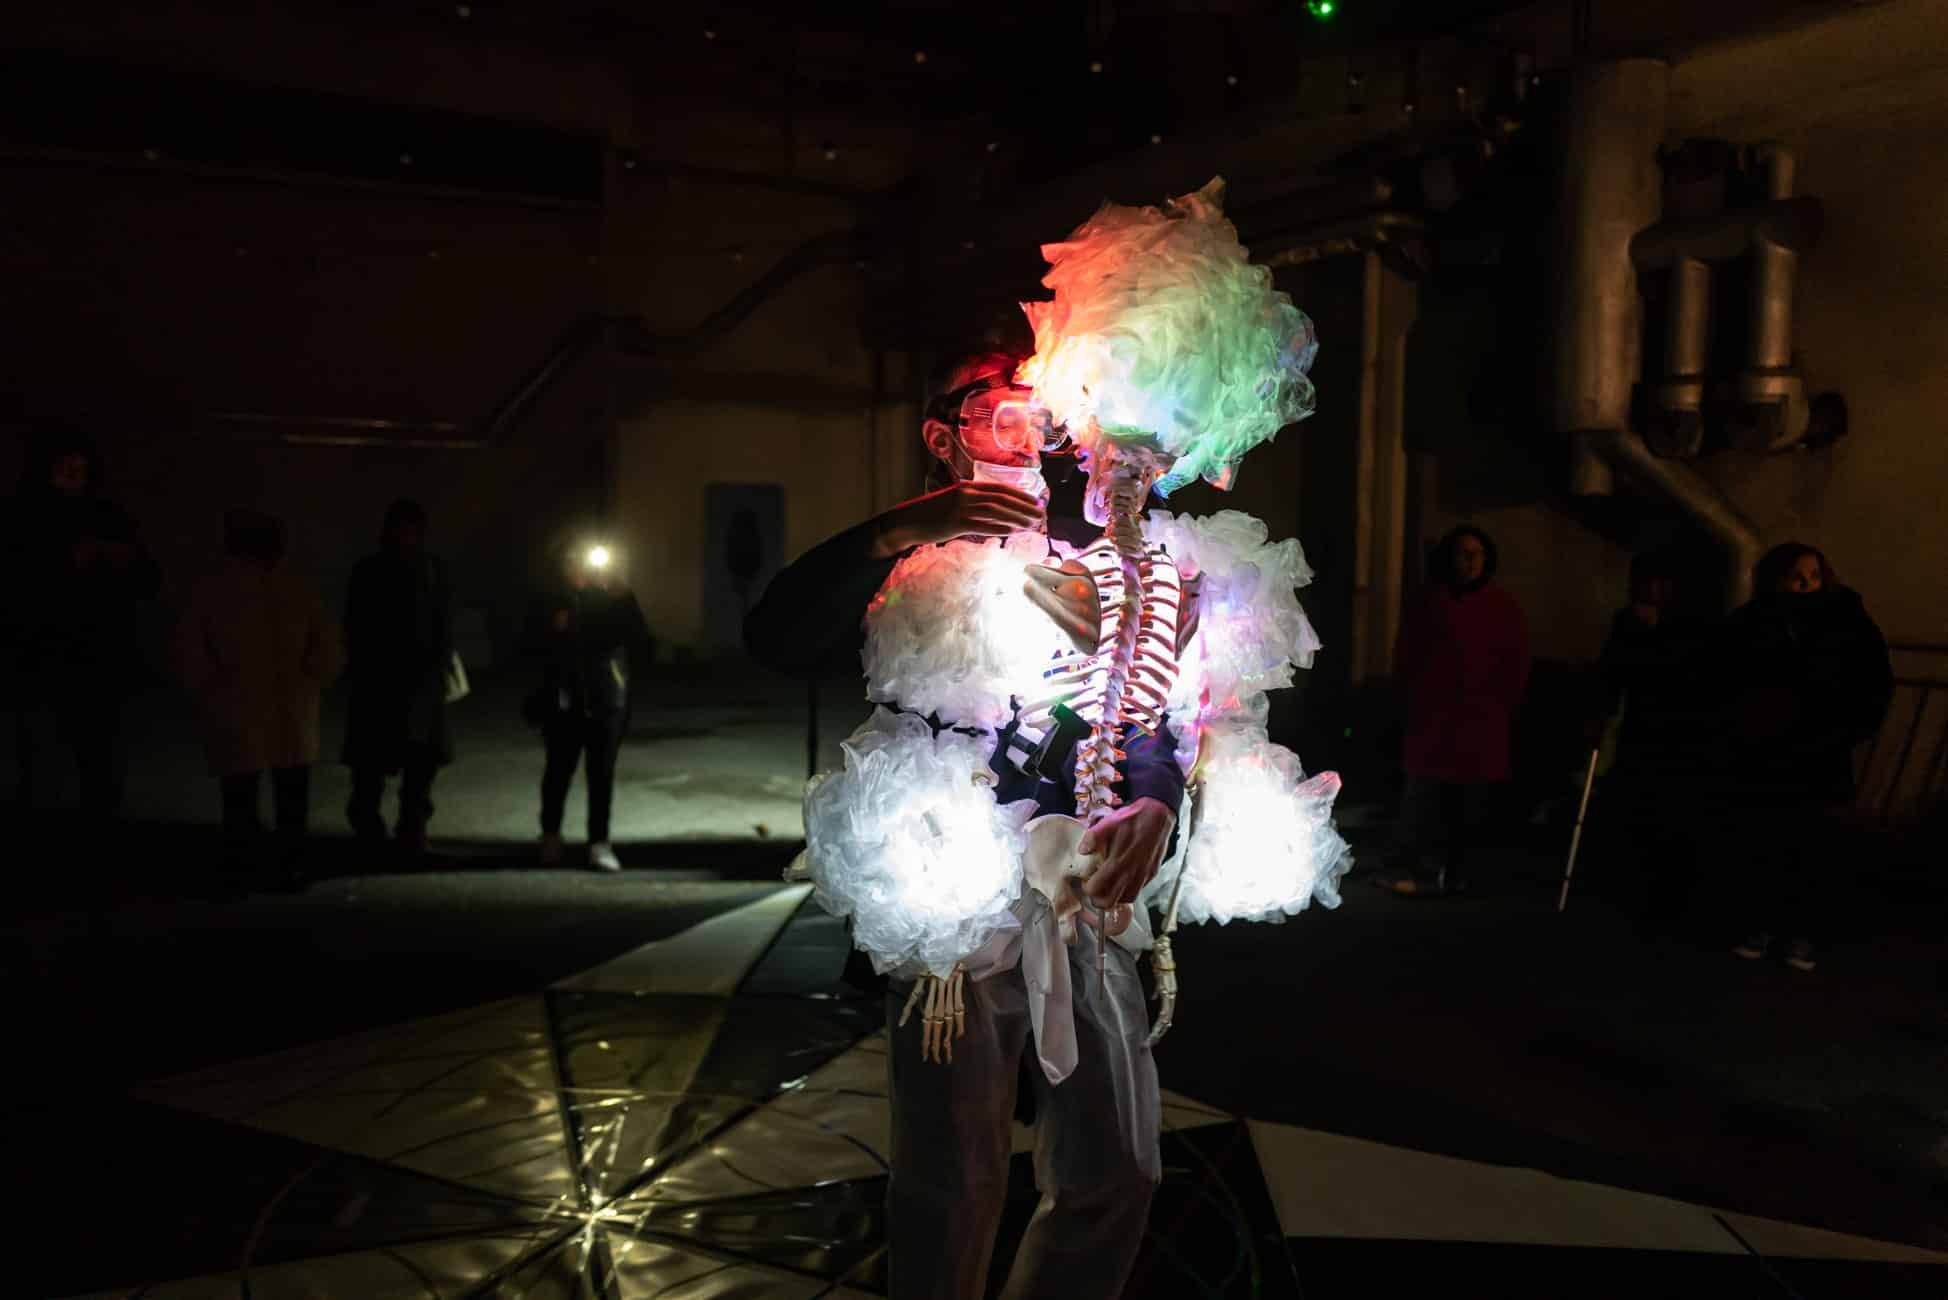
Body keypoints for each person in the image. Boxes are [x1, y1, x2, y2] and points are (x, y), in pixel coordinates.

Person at [746, 351, 1181, 1300]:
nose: (1026, 437)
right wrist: (899, 530)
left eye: (1039, 416)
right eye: (998, 415)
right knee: (951, 1175)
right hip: (945, 894)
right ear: (945, 436)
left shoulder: (1085, 550)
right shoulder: (899, 560)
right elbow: (777, 637)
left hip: (1081, 880)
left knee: (1119, 1166)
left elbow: (1147, 706)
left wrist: (1156, 796)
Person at [1715, 542, 1892, 972]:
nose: (1805, 583)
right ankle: (1759, 925)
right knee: (1765, 839)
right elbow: (1728, 676)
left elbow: (1872, 679)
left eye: (1812, 575)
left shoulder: (1846, 622)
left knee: (1812, 844)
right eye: (1796, 575)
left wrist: (1848, 728)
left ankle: (1801, 933)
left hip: (1819, 750)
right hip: (1768, 749)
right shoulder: (1756, 621)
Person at [4, 421, 161, 836]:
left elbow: (148, 578)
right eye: (65, 469)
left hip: (92, 662)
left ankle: (88, 836)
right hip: (44, 659)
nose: (75, 476)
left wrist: (118, 561)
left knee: (94, 764)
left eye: (80, 469)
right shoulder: (24, 519)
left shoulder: (104, 517)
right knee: (50, 765)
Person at [176, 510, 341, 892]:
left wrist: (209, 686)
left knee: (241, 794)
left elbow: (190, 652)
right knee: (289, 795)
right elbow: (327, 647)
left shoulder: (214, 590)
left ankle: (244, 869)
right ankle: (288, 868)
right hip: (287, 704)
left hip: (238, 704)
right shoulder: (296, 587)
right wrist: (314, 675)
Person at [1376, 525, 1531, 897]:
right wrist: (1408, 701)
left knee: (1472, 802)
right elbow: (1407, 656)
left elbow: (1516, 661)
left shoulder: (1502, 606)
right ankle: (1415, 868)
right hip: (1433, 719)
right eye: (1464, 553)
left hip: (1481, 720)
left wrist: (1503, 705)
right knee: (1423, 798)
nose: (1471, 561)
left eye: (1478, 554)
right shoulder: (1428, 602)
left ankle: (1460, 871)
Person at [1590, 549, 1714, 935]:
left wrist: (1653, 634)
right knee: (1632, 803)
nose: (1651, 589)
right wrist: (1600, 713)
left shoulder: (1691, 626)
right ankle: (1625, 885)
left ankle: (1662, 895)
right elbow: (1612, 670)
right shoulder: (1627, 621)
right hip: (1639, 728)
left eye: (1660, 582)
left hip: (1678, 733)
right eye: (1645, 581)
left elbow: (1683, 675)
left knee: (1668, 812)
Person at [525, 540, 653, 872]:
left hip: (606, 700)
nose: (581, 568)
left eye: (586, 561)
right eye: (573, 561)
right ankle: (550, 836)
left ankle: (599, 842)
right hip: (564, 701)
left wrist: (624, 596)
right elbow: (527, 646)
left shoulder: (613, 598)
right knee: (558, 771)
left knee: (601, 775)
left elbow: (640, 641)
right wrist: (553, 629)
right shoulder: (551, 600)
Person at [342, 498, 454, 860]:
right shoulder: (377, 570)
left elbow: (443, 626)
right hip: (384, 680)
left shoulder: (426, 570)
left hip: (409, 681)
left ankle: (406, 827)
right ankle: (380, 828)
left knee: (412, 763)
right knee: (377, 764)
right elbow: (356, 625)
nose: (405, 536)